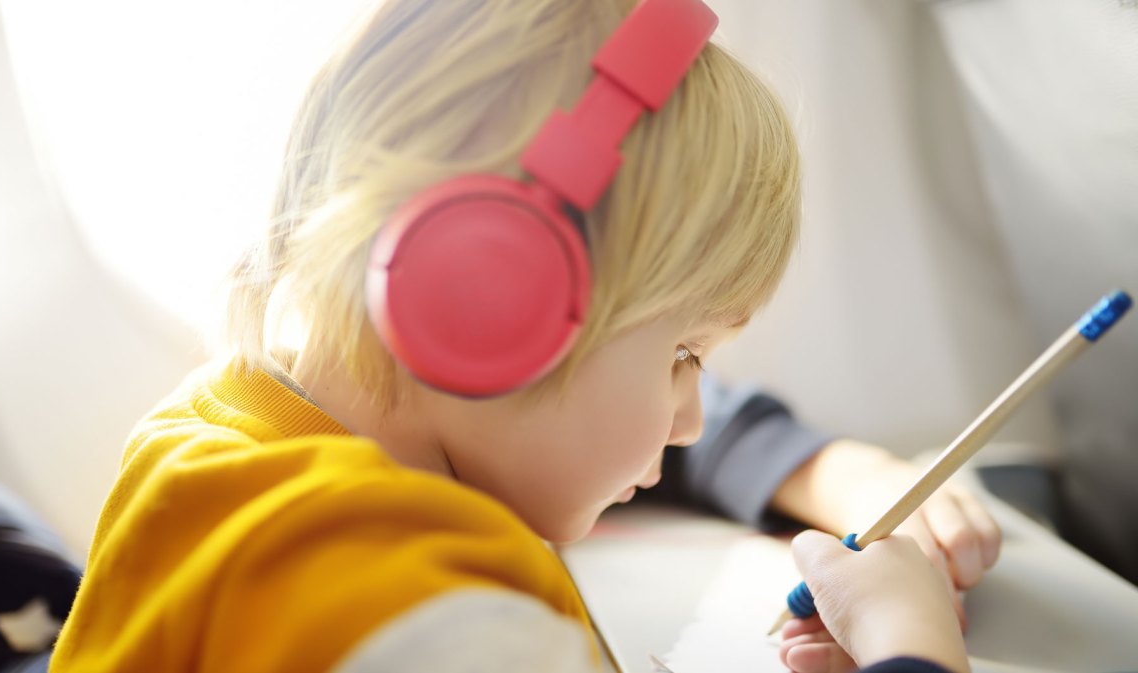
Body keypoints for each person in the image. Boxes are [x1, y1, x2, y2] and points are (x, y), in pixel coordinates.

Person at [48, 1, 997, 672]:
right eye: (683, 354)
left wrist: (836, 469)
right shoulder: (425, 610)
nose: (689, 421)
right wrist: (913, 651)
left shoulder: (215, 433)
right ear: (488, 298)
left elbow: (581, 409)